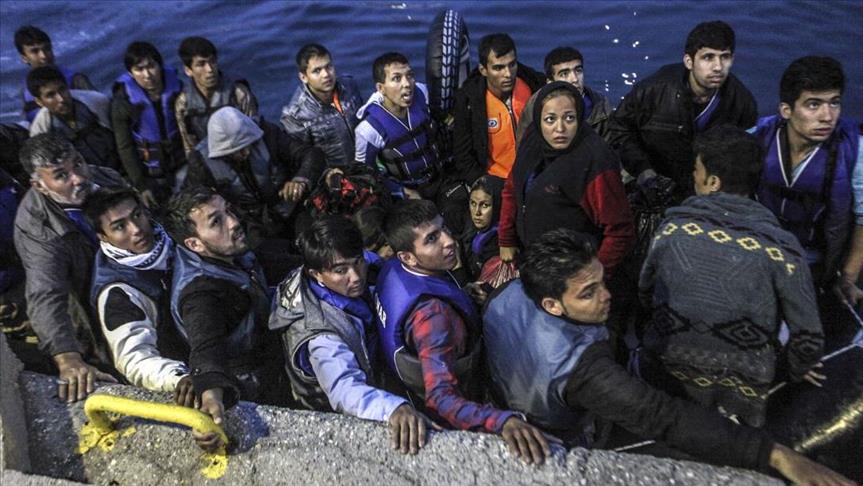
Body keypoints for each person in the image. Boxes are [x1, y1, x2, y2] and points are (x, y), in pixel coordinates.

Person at [483, 228, 854, 485]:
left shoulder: (508, 293)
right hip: (566, 422)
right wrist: (772, 454)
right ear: (552, 304)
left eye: (601, 281)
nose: (606, 296)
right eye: (588, 293)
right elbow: (662, 416)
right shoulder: (585, 371)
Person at [639, 125, 824, 427]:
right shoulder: (783, 248)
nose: (693, 176)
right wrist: (794, 369)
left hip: (664, 379)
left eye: (696, 169)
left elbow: (645, 294)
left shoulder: (671, 230)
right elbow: (809, 339)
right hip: (741, 398)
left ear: (712, 182)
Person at [374, 199, 552, 465]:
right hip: (456, 409)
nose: (449, 241)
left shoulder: (392, 269)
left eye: (443, 228)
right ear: (407, 256)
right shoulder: (433, 317)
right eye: (432, 238)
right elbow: (441, 398)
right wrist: (504, 422)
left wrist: (462, 295)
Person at [269, 215, 429, 454]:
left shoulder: (332, 271)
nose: (356, 277)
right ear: (316, 274)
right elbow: (344, 389)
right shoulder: (321, 336)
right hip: (330, 416)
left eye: (358, 262)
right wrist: (393, 408)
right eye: (341, 270)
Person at [163, 186, 289, 450]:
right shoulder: (201, 293)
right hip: (256, 386)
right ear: (194, 244)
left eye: (228, 211)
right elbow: (205, 346)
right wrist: (210, 396)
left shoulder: (225, 253)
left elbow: (265, 261)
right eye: (216, 222)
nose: (233, 222)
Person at [750, 56, 863, 348]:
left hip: (817, 259)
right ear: (786, 110)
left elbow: (862, 218)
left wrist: (848, 277)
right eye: (814, 104)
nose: (827, 116)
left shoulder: (855, 151)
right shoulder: (758, 138)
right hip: (762, 251)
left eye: (834, 103)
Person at [14, 133, 125, 403]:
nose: (79, 178)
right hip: (87, 299)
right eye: (61, 175)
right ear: (40, 186)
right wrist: (67, 358)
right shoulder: (36, 227)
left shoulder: (107, 179)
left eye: (78, 163)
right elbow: (45, 292)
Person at [607, 20, 757, 201]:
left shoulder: (742, 103)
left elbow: (743, 158)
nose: (718, 67)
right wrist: (643, 170)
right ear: (689, 61)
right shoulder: (653, 91)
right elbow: (618, 129)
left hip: (707, 189)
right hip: (654, 177)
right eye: (708, 57)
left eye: (725, 57)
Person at [498, 82, 634, 277]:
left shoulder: (595, 160)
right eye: (550, 119)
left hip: (573, 272)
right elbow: (512, 189)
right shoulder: (532, 140)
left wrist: (590, 278)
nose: (560, 128)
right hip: (535, 264)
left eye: (569, 118)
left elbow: (620, 231)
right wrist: (506, 238)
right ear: (538, 120)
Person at [84, 188, 193, 404]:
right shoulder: (118, 292)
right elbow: (134, 359)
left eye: (137, 215)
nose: (136, 229)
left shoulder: (171, 235)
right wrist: (178, 377)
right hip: (188, 365)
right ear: (103, 236)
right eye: (119, 226)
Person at [354, 52, 467, 232]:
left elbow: (441, 115)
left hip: (441, 178)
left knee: (459, 218)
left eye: (410, 75)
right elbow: (365, 174)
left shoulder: (422, 93)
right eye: (396, 78)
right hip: (408, 191)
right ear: (381, 88)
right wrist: (400, 191)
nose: (407, 84)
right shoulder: (369, 130)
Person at [181, 106, 325, 243]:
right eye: (236, 151)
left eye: (247, 145)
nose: (245, 153)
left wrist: (300, 180)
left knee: (313, 239)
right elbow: (190, 199)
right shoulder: (201, 161)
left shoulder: (267, 133)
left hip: (289, 208)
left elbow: (310, 154)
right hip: (248, 224)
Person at [452, 33, 545, 183]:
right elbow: (463, 156)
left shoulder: (534, 85)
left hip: (536, 175)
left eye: (512, 65)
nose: (508, 74)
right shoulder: (468, 102)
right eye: (498, 68)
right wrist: (482, 184)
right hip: (495, 181)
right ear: (483, 70)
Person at [111, 41, 186, 207]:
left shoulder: (178, 89)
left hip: (182, 162)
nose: (147, 75)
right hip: (151, 172)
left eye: (151, 66)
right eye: (139, 69)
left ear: (160, 65)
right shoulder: (123, 103)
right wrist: (141, 185)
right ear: (131, 73)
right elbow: (125, 147)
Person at [281, 44, 363, 167]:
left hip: (366, 165)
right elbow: (299, 158)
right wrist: (327, 173)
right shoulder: (296, 116)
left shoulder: (349, 86)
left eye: (329, 66)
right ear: (303, 77)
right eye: (317, 71)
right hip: (336, 174)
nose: (326, 74)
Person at [174, 36, 259, 154]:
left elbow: (254, 130)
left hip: (242, 152)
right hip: (208, 157)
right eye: (201, 64)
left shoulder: (238, 93)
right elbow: (188, 145)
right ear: (188, 70)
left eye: (212, 61)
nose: (209, 69)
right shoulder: (184, 103)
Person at [28, 66, 120, 171]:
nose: (61, 99)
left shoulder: (97, 102)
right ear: (39, 102)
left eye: (62, 89)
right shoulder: (40, 131)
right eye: (51, 95)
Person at [516, 46, 613, 145]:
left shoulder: (601, 106)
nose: (575, 79)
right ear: (550, 82)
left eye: (578, 71)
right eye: (564, 74)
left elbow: (610, 149)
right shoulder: (535, 105)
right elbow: (525, 147)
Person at [14, 25, 95, 123]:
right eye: (35, 51)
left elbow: (97, 110)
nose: (43, 56)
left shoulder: (76, 80)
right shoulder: (26, 89)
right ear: (24, 58)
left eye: (47, 49)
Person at [459, 175, 503, 280]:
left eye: (484, 205)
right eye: (473, 203)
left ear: (498, 205)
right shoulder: (470, 228)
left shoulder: (502, 242)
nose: (477, 212)